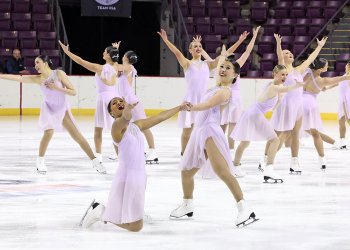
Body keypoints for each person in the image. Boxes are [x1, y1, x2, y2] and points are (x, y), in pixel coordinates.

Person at [169, 46, 258, 227]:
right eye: (222, 66)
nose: (223, 70)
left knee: (223, 171)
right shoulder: (214, 87)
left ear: (234, 76)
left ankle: (244, 209)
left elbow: (208, 105)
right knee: (186, 171)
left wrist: (191, 107)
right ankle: (187, 204)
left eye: (228, 68)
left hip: (210, 132)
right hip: (199, 132)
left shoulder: (225, 91)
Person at [79, 97, 190, 232]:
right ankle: (101, 213)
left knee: (131, 219)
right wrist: (127, 109)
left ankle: (106, 212)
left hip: (139, 175)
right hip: (129, 177)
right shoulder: (116, 127)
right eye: (114, 103)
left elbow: (160, 117)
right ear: (112, 113)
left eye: (121, 101)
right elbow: (125, 118)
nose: (118, 103)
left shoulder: (136, 126)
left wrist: (179, 108)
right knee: (136, 227)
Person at [0, 55, 105, 174]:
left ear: (45, 63)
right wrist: (1, 76)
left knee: (77, 135)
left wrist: (55, 87)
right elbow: (18, 78)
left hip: (62, 108)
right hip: (49, 108)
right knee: (49, 132)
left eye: (38, 62)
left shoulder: (59, 74)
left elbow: (73, 92)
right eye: (35, 63)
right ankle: (40, 161)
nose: (35, 66)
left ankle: (95, 161)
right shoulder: (38, 79)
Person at [158, 29, 247, 155]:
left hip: (204, 100)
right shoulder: (187, 64)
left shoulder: (208, 65)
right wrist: (166, 40)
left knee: (202, 129)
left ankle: (200, 153)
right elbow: (177, 53)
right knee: (187, 130)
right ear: (190, 50)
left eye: (200, 46)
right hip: (190, 99)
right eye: (195, 46)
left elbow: (225, 55)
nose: (198, 47)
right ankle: (184, 153)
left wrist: (240, 41)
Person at [267, 34, 328, 174]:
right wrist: (278, 44)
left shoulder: (299, 69)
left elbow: (311, 58)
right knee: (281, 134)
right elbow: (279, 57)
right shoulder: (283, 69)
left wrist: (319, 47)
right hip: (287, 105)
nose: (289, 54)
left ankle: (294, 161)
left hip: (298, 105)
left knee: (295, 134)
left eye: (290, 52)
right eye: (286, 53)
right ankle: (268, 161)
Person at [231, 65, 303, 182]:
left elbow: (275, 101)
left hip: (252, 112)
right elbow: (284, 90)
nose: (284, 77)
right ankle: (269, 169)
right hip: (255, 113)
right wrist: (296, 86)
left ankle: (235, 166)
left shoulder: (275, 86)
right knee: (275, 140)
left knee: (245, 142)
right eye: (282, 74)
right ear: (274, 74)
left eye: (286, 74)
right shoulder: (274, 87)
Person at [59, 41, 119, 163]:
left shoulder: (99, 68)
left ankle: (99, 156)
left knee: (98, 129)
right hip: (114, 98)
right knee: (116, 128)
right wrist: (116, 50)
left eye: (105, 52)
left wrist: (67, 52)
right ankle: (121, 153)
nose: (103, 53)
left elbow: (80, 61)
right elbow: (115, 62)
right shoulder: (116, 67)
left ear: (108, 55)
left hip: (103, 99)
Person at [111, 42, 158, 163]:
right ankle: (126, 150)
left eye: (123, 56)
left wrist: (115, 51)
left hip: (132, 104)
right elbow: (115, 70)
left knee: (144, 126)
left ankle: (153, 151)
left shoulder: (129, 67)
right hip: (125, 104)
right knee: (125, 128)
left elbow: (116, 67)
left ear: (126, 58)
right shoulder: (124, 69)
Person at [301, 57, 350, 169]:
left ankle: (266, 158)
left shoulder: (306, 73)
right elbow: (338, 80)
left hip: (299, 102)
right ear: (321, 69)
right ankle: (322, 158)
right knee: (314, 132)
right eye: (326, 66)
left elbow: (308, 61)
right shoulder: (323, 81)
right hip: (310, 104)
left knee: (286, 131)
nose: (328, 67)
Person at [220, 26, 261, 156]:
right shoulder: (230, 67)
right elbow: (247, 52)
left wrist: (252, 37)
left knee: (224, 125)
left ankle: (222, 149)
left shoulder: (224, 67)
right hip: (230, 97)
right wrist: (252, 37)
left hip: (227, 97)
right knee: (228, 124)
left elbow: (246, 52)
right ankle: (228, 151)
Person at [337, 61, 350, 149]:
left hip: (347, 99)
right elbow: (338, 82)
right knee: (341, 121)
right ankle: (342, 142)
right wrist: (326, 87)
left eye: (347, 65)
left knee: (349, 121)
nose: (346, 66)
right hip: (342, 100)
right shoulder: (344, 75)